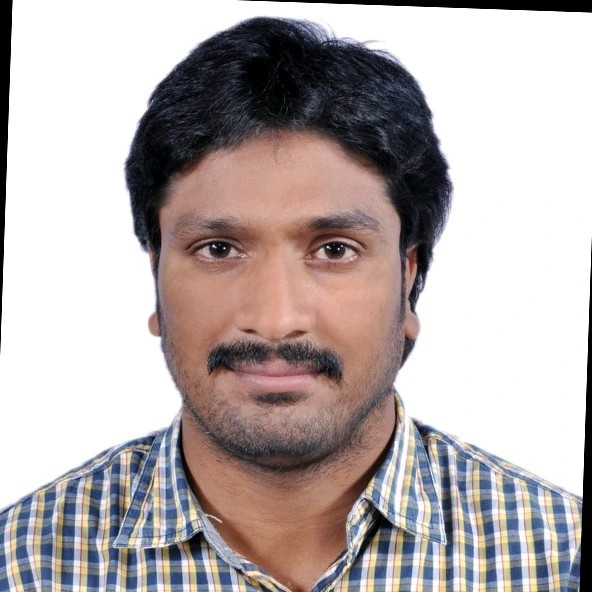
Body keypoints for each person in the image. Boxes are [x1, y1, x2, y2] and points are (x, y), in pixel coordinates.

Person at [0, 16, 581, 592]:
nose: (276, 320)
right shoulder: (23, 565)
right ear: (155, 276)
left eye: (334, 250)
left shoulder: (560, 559)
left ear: (408, 277)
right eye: (218, 249)